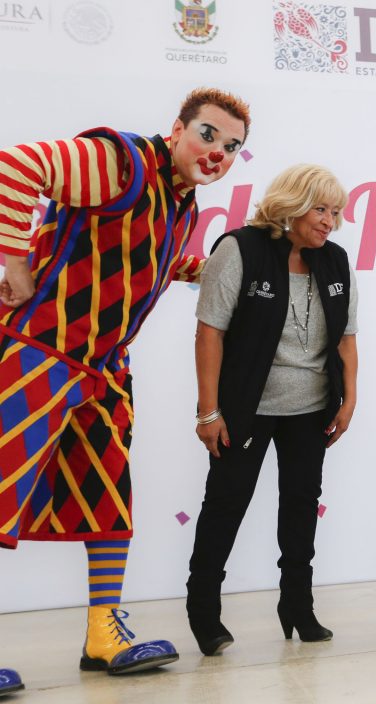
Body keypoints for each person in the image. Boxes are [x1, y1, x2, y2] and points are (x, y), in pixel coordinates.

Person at [0, 87, 250, 674]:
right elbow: (14, 167)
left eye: (233, 146)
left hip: (104, 369)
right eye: (208, 134)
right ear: (178, 127)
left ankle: (103, 634)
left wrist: (216, 266)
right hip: (40, 351)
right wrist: (14, 265)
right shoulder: (125, 164)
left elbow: (149, 260)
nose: (218, 152)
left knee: (109, 502)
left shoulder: (181, 202)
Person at [185, 164, 358, 654]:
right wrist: (208, 411)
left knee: (301, 509)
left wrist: (349, 401)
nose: (330, 221)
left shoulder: (336, 261)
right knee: (226, 505)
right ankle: (204, 612)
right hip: (244, 409)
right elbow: (209, 332)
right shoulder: (240, 249)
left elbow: (347, 338)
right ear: (291, 204)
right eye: (321, 209)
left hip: (312, 410)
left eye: (336, 212)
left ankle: (297, 606)